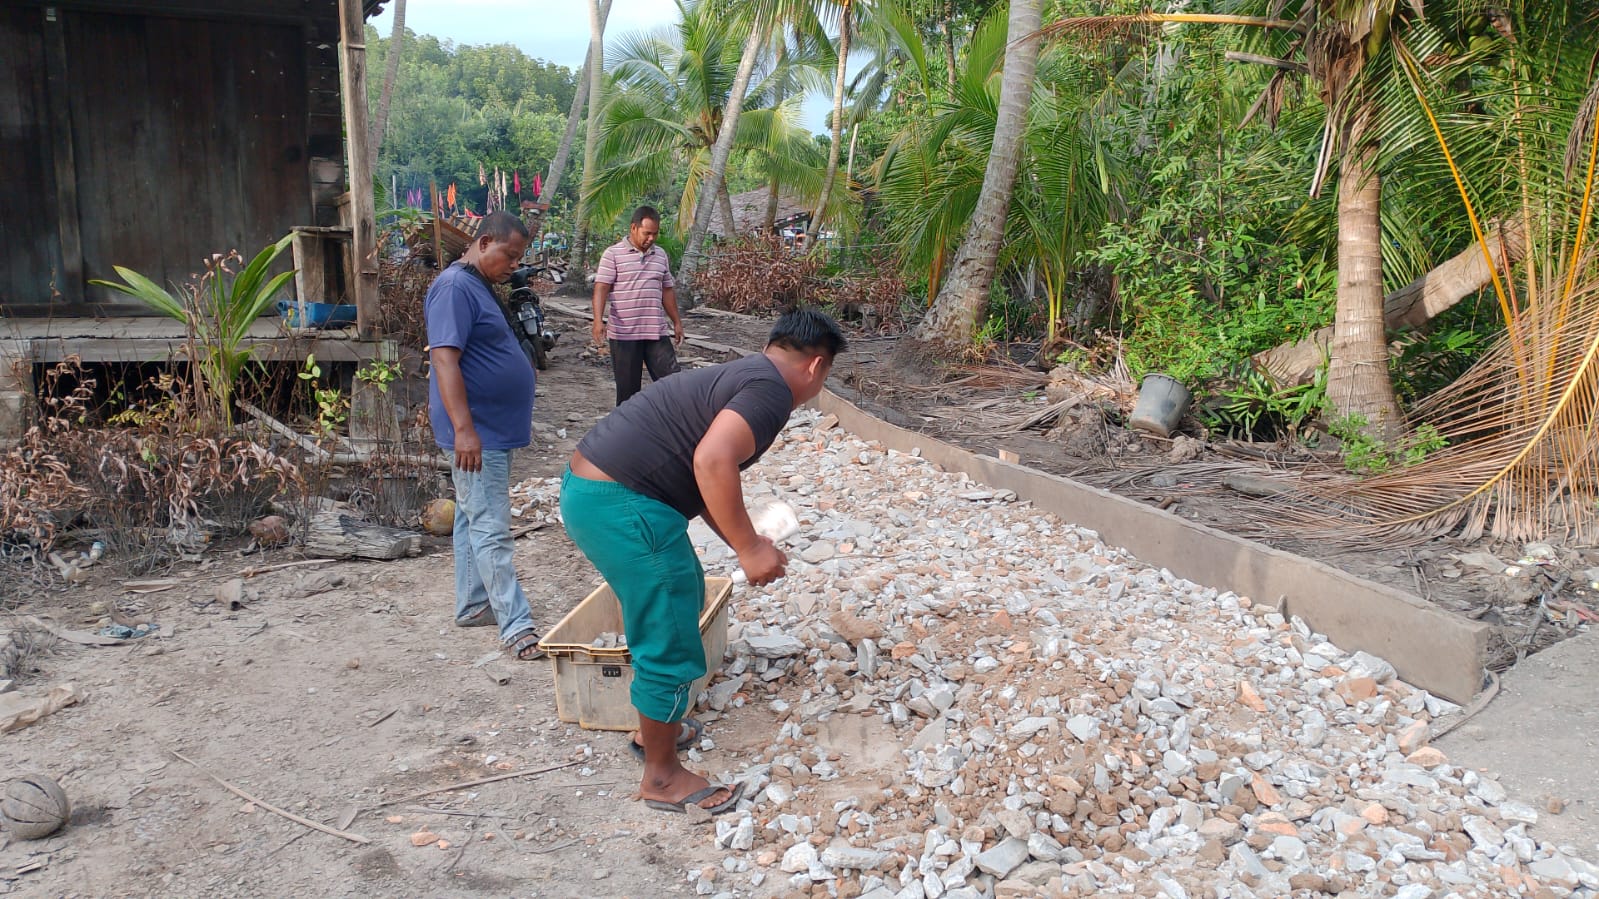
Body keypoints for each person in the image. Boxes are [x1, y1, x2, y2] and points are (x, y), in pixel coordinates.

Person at [560, 310, 846, 815]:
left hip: (597, 490)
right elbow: (712, 462)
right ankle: (662, 776)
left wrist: (746, 541)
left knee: (684, 593)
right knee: (669, 633)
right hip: (621, 502)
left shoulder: (746, 374)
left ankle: (656, 734)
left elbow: (704, 480)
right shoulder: (771, 393)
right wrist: (752, 549)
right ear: (816, 366)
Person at [426, 210, 544, 661]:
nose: (513, 265)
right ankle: (516, 626)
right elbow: (443, 360)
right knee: (491, 526)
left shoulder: (476, 285)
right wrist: (464, 431)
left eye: (518, 258)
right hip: (478, 433)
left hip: (490, 429)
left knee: (470, 517)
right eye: (509, 255)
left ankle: (475, 604)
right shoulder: (455, 287)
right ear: (483, 241)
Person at [592, 205, 684, 405]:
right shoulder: (613, 254)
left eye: (655, 234)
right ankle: (625, 433)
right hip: (625, 335)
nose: (651, 238)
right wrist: (598, 320)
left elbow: (667, 290)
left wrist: (677, 321)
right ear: (633, 228)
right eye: (647, 233)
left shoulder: (660, 255)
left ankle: (675, 429)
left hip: (656, 332)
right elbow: (601, 288)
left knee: (675, 384)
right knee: (628, 394)